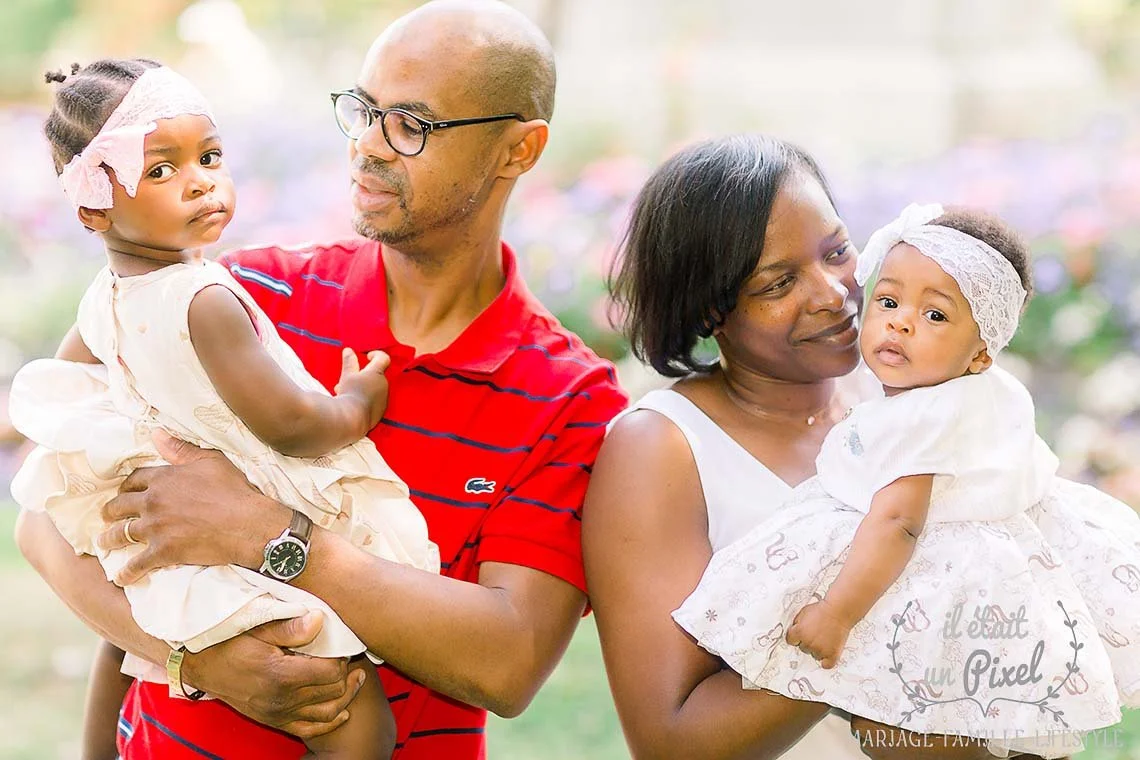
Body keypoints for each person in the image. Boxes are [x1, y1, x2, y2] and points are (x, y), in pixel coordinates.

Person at [15, 2, 627, 758]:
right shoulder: (236, 294)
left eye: (411, 124)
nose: (368, 146)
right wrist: (197, 658)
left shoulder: (571, 397)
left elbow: (506, 661)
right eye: (363, 109)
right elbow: (43, 518)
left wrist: (271, 535)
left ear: (518, 149)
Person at [10, 57, 444, 759]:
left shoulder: (103, 299)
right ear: (93, 207)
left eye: (209, 155)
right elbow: (292, 427)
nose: (201, 179)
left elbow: (58, 387)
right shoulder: (204, 300)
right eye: (162, 169)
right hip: (247, 512)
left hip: (168, 528)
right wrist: (355, 402)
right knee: (354, 713)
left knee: (129, 634)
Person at [584, 134, 1061, 760]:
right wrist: (866, 605)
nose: (835, 293)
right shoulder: (663, 449)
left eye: (836, 250)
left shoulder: (912, 394)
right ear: (709, 312)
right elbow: (672, 742)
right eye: (779, 283)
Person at [672, 202, 1140, 759]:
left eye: (935, 315)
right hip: (999, 585)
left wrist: (835, 614)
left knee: (894, 730)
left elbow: (897, 521)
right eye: (889, 302)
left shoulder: (923, 419)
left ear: (981, 351)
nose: (900, 322)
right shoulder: (979, 392)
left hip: (930, 576)